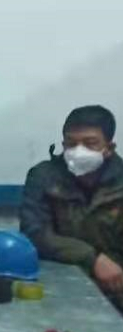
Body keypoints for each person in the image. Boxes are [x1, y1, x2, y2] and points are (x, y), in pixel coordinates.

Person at [20, 105, 123, 313]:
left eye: (90, 143)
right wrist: (92, 258)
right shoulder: (44, 176)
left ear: (109, 148)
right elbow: (35, 232)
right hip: (59, 284)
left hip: (116, 285)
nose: (78, 151)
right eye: (71, 143)